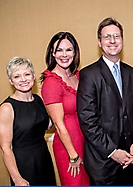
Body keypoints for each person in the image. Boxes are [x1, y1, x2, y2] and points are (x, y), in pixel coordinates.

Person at [77, 17, 133, 185]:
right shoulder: (89, 74)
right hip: (103, 162)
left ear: (122, 40)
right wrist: (113, 152)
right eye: (107, 37)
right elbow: (87, 120)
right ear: (99, 42)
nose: (112, 41)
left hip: (130, 159)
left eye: (116, 36)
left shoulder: (131, 72)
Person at [40, 32, 90, 185]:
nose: (64, 54)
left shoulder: (78, 76)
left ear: (75, 52)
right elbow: (59, 125)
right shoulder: (51, 82)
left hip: (85, 142)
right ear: (52, 53)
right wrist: (73, 155)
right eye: (59, 50)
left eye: (68, 50)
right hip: (68, 146)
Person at [0, 56, 56, 186]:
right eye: (17, 76)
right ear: (11, 81)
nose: (23, 79)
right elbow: (6, 148)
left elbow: (47, 126)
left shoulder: (37, 99)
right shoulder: (6, 108)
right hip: (23, 165)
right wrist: (17, 178)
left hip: (43, 159)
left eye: (26, 74)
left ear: (33, 76)